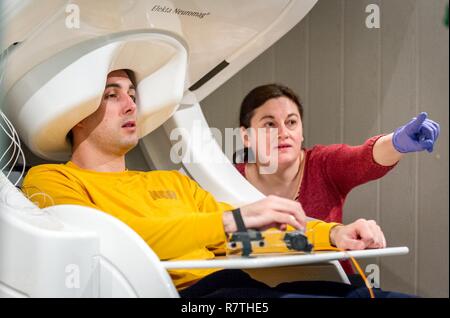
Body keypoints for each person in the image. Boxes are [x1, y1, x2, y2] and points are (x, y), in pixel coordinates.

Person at [22, 70, 411, 298]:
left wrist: (334, 235)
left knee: (369, 296)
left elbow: (244, 238)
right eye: (112, 95)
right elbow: (111, 241)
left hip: (240, 289)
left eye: (133, 96)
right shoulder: (50, 180)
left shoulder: (173, 182)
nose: (130, 105)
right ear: (74, 114)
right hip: (192, 299)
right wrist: (231, 220)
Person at [234, 84, 440, 224]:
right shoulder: (228, 178)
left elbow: (363, 159)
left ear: (301, 131)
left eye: (291, 122)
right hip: (255, 288)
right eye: (270, 124)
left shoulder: (323, 164)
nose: (283, 133)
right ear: (246, 136)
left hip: (329, 285)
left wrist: (398, 142)